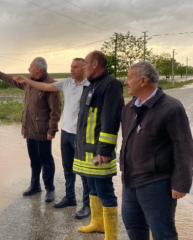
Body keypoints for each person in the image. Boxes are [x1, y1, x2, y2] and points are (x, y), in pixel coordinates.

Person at [120, 61, 193, 240]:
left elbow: (184, 147)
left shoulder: (171, 108)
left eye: (129, 78)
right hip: (130, 181)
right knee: (133, 226)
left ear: (143, 81)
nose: (125, 82)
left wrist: (181, 183)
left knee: (163, 232)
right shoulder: (129, 108)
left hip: (156, 183)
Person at [12, 58, 91, 219]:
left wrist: (51, 129)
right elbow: (45, 86)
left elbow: (55, 110)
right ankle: (70, 197)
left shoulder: (91, 86)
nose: (71, 69)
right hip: (66, 132)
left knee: (84, 171)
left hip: (81, 134)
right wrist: (24, 79)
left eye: (75, 67)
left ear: (85, 68)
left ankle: (87, 205)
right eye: (71, 66)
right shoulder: (67, 83)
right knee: (68, 168)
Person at [0, 57, 61, 203]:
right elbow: (14, 81)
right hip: (29, 129)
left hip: (42, 130)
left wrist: (51, 130)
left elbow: (56, 110)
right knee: (34, 161)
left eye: (30, 66)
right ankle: (35, 186)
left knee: (46, 160)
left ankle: (50, 189)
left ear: (38, 69)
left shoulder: (50, 85)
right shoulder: (28, 83)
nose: (28, 69)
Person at [72, 51, 124, 240]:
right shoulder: (91, 85)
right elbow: (86, 119)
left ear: (95, 64)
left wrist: (104, 149)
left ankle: (111, 234)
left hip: (98, 151)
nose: (83, 67)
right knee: (92, 186)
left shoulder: (111, 85)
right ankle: (98, 224)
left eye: (85, 63)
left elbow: (110, 119)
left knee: (105, 190)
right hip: (86, 149)